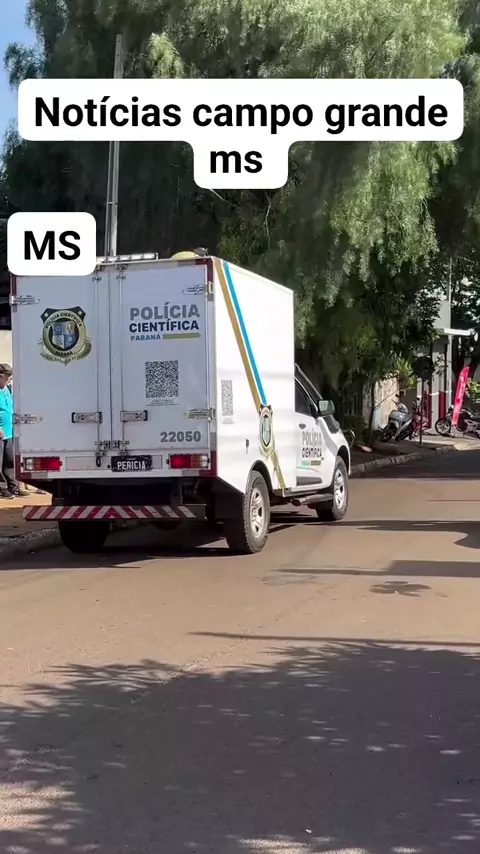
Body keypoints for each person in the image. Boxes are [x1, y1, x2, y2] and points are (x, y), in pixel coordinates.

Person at [0, 364, 28, 499]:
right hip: (0, 432)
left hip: (9, 432)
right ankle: (2, 488)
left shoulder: (7, 389)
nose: (8, 379)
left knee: (10, 461)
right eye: (7, 377)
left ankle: (13, 486)